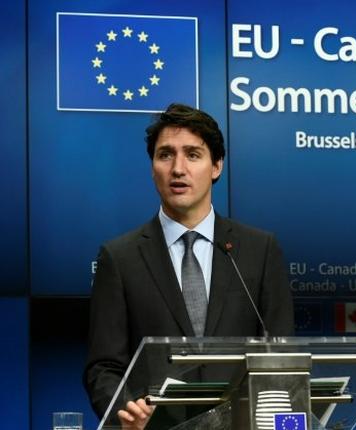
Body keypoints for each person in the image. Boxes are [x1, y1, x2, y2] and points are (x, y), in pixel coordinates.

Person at [83, 103, 294, 429]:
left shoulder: (260, 250)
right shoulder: (119, 257)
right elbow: (104, 368)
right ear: (152, 168)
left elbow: (282, 361)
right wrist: (128, 414)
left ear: (216, 166)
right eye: (165, 155)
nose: (178, 168)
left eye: (193, 154)